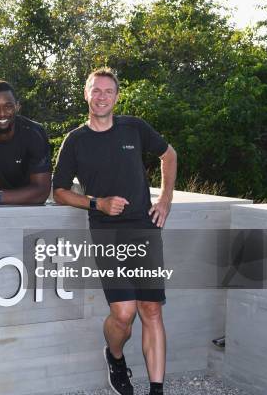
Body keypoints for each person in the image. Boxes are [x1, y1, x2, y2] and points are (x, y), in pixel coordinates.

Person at [52, 67, 177, 395]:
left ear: (117, 97)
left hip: (145, 228)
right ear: (86, 94)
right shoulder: (75, 140)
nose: (102, 96)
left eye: (108, 91)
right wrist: (98, 204)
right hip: (107, 232)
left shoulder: (134, 128)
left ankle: (157, 389)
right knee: (124, 313)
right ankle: (115, 355)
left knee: (151, 308)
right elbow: (59, 191)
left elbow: (169, 155)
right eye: (96, 90)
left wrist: (165, 199)